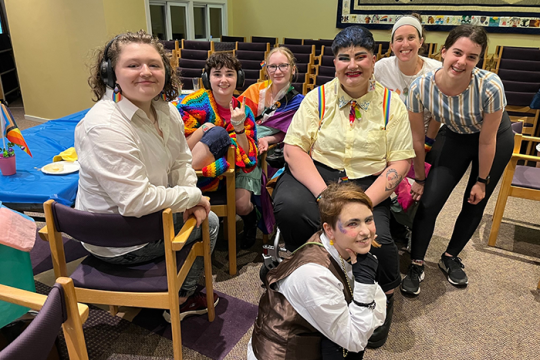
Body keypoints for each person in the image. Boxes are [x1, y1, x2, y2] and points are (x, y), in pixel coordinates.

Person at [273, 26, 415, 348]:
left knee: (377, 237)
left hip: (367, 182)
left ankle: (382, 292)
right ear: (334, 63)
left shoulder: (393, 105)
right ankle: (310, 272)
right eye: (344, 58)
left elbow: (400, 163)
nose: (352, 65)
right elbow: (294, 149)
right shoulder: (317, 98)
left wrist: (359, 204)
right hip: (319, 174)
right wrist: (324, 194)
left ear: (373, 60)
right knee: (291, 209)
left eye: (360, 56)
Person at [75, 30, 220, 321]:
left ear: (165, 71)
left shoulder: (165, 110)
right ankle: (181, 298)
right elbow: (136, 202)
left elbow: (181, 161)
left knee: (199, 213)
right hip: (117, 238)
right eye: (133, 65)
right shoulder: (104, 126)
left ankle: (175, 286)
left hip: (148, 217)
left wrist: (189, 197)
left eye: (154, 65)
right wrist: (193, 197)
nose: (146, 72)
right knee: (211, 222)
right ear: (110, 73)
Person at [401, 25, 514, 296]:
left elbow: (487, 141)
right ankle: (416, 262)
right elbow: (417, 140)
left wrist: (481, 181)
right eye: (457, 52)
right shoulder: (421, 87)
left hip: (494, 138)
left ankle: (450, 257)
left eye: (472, 57)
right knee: (429, 200)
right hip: (455, 134)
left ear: (479, 61)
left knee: (475, 199)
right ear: (443, 52)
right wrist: (418, 177)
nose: (462, 62)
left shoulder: (490, 86)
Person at [248, 183, 386, 360]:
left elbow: (380, 307)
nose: (366, 232)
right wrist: (365, 282)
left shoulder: (339, 244)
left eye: (368, 220)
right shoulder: (315, 275)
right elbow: (357, 340)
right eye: (353, 223)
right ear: (329, 229)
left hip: (311, 341)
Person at [177, 53, 259, 249]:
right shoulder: (194, 103)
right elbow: (182, 149)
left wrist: (238, 127)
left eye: (229, 74)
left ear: (237, 78)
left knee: (243, 205)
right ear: (208, 78)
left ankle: (250, 220)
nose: (223, 80)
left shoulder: (244, 109)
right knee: (218, 133)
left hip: (235, 168)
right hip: (199, 170)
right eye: (217, 74)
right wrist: (206, 129)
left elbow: (247, 155)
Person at [374, 14, 442, 246]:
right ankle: (393, 223)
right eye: (399, 39)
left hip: (425, 136)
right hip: (389, 137)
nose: (405, 44)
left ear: (421, 40)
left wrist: (426, 144)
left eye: (411, 37)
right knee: (391, 182)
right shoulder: (382, 67)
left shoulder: (435, 70)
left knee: (418, 187)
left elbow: (437, 113)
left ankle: (409, 225)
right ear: (392, 44)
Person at [237, 46, 305, 244]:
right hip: (246, 147)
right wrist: (251, 139)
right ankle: (250, 220)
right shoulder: (254, 90)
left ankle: (262, 222)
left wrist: (267, 139)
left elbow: (290, 133)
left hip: (273, 155)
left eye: (283, 65)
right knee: (241, 205)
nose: (277, 71)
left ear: (292, 69)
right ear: (266, 69)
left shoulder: (299, 102)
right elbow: (238, 120)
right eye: (272, 66)